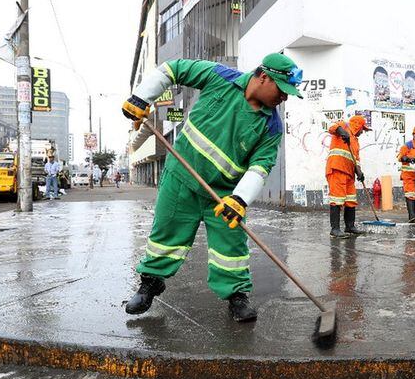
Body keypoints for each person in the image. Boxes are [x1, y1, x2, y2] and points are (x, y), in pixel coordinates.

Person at [121, 53, 303, 321]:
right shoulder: (220, 77)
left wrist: (240, 199)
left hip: (224, 195)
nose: (284, 98)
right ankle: (150, 283)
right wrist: (141, 98)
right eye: (282, 90)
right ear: (263, 77)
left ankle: (237, 296)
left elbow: (261, 165)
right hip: (180, 176)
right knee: (165, 234)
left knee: (230, 248)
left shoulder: (271, 126)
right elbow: (173, 69)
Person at [326, 114, 371, 238]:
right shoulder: (344, 126)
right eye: (363, 129)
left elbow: (356, 159)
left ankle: (350, 226)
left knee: (351, 200)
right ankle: (335, 229)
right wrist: (341, 131)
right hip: (337, 169)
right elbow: (331, 128)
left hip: (349, 173)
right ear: (358, 125)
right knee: (337, 199)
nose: (363, 132)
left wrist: (359, 172)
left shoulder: (356, 141)